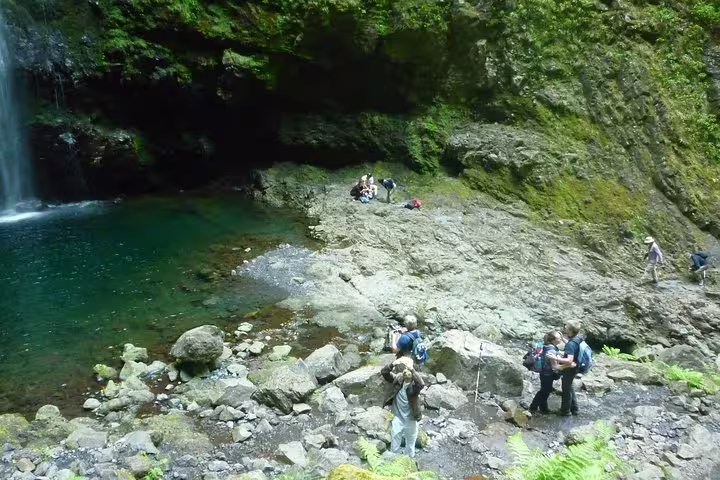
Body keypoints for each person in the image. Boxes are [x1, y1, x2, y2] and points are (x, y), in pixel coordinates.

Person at [381, 357, 424, 458]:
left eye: (408, 370)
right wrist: (393, 364)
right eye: (405, 368)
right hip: (397, 417)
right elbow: (384, 373)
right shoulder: (398, 379)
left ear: (413, 373)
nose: (406, 371)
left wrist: (412, 369)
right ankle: (393, 460)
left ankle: (410, 460)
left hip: (411, 419)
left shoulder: (414, 386)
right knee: (395, 440)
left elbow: (421, 384)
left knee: (410, 442)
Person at [529, 331, 562, 414]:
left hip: (543, 372)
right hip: (547, 374)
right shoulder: (551, 350)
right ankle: (533, 407)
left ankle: (543, 408)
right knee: (544, 391)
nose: (561, 339)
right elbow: (554, 366)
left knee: (545, 390)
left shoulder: (547, 345)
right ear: (553, 340)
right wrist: (568, 365)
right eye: (559, 338)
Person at [554, 321, 583, 416]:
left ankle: (565, 411)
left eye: (567, 327)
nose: (565, 327)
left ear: (570, 330)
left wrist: (557, 358)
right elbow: (572, 345)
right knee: (569, 386)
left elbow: (569, 360)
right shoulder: (578, 338)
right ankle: (575, 409)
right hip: (576, 366)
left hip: (570, 368)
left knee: (566, 389)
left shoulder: (571, 344)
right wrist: (563, 339)